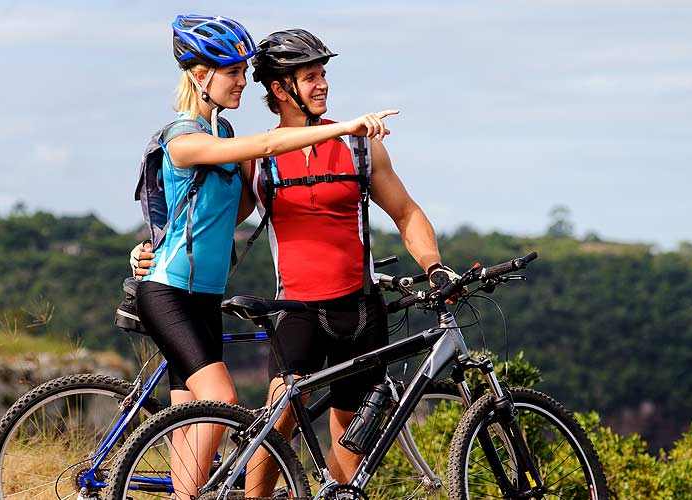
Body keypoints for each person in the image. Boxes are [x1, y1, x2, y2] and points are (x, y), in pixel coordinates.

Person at [134, 28, 455, 492]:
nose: (323, 84)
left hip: (360, 309)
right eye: (311, 77)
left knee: (352, 439)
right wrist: (152, 247)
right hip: (297, 311)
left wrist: (433, 264)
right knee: (276, 425)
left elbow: (407, 213)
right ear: (282, 89)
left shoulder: (361, 147)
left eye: (324, 74)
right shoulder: (257, 160)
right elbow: (212, 215)